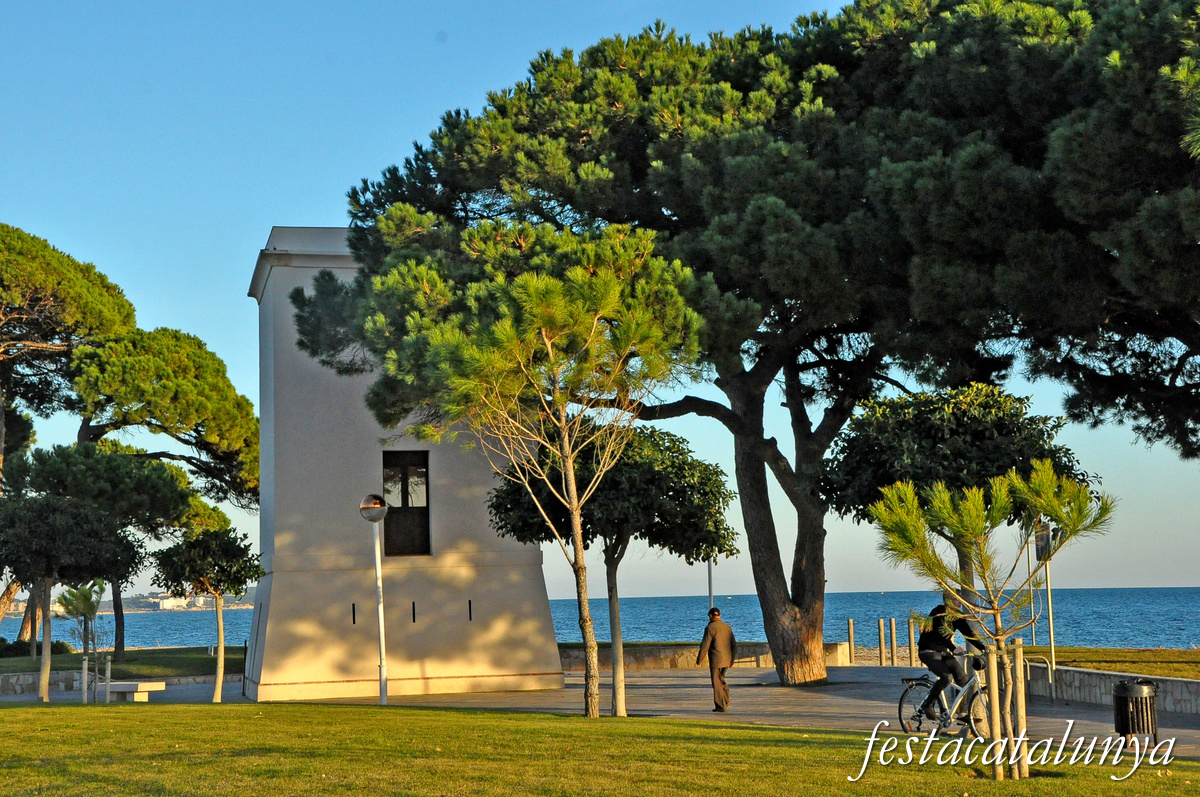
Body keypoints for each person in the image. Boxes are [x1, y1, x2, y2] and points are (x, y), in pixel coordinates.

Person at [917, 602, 981, 719]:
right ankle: (928, 705)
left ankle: (961, 713)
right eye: (956, 600)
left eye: (960, 601)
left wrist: (984, 648)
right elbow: (939, 632)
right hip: (928, 651)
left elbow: (968, 634)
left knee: (963, 679)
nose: (959, 604)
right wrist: (953, 648)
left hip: (943, 652)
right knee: (947, 677)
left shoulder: (957, 617)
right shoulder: (939, 611)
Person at [696, 606, 736, 712]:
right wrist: (732, 660)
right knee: (721, 679)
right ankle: (726, 699)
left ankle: (720, 706)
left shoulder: (710, 628)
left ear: (710, 616)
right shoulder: (727, 627)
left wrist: (699, 659)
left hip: (716, 660)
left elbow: (705, 645)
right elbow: (734, 645)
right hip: (727, 659)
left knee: (716, 683)